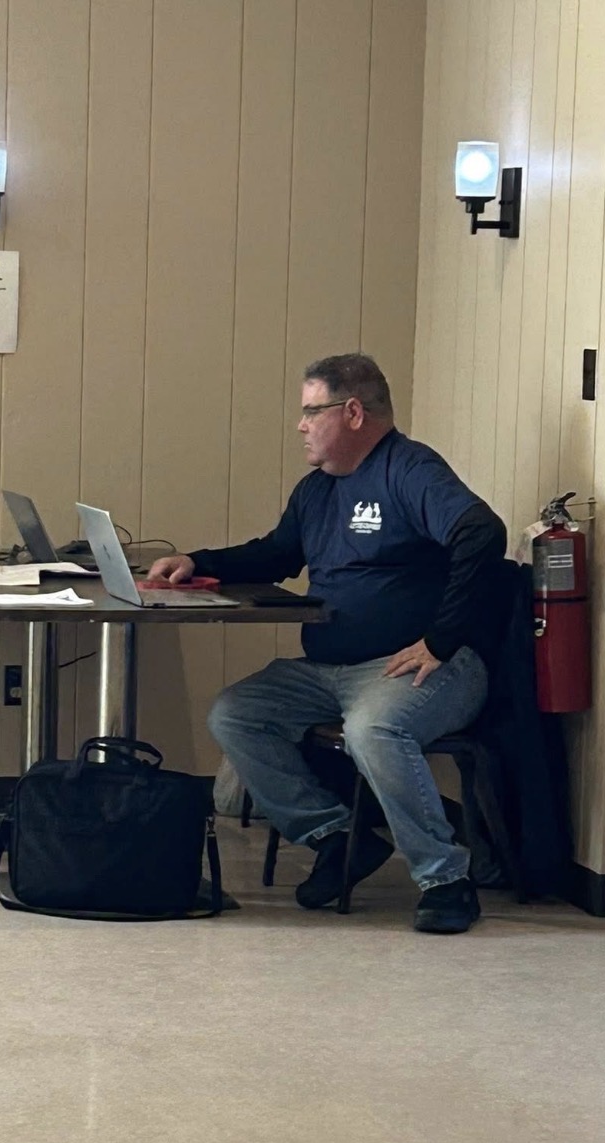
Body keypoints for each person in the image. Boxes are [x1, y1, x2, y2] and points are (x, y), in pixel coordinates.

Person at [148, 353, 506, 934]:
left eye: (313, 411)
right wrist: (196, 561)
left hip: (417, 667)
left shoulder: (408, 469)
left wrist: (442, 639)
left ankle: (445, 880)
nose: (301, 425)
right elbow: (276, 555)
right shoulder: (317, 490)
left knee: (373, 730)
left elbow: (481, 532)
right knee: (235, 713)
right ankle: (337, 837)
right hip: (328, 671)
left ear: (354, 413)